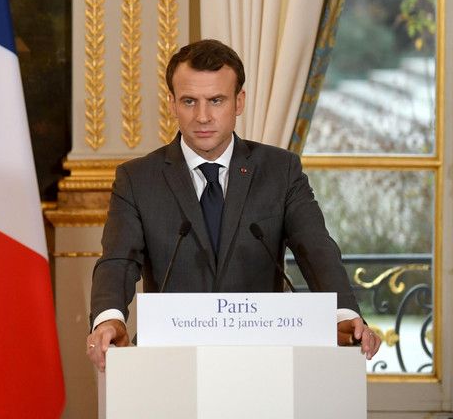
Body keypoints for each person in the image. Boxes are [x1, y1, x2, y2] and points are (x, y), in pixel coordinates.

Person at [86, 39, 381, 370]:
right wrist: (109, 319)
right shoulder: (137, 178)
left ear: (239, 102)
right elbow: (118, 261)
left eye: (216, 100)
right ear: (172, 104)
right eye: (189, 101)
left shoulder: (280, 170)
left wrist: (343, 314)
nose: (202, 116)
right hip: (168, 361)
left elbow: (315, 249)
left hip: (265, 359)